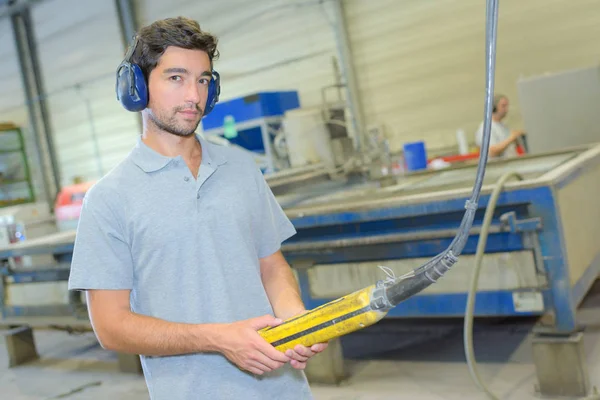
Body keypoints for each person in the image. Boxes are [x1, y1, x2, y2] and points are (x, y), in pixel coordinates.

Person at [67, 17, 326, 400]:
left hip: (283, 389)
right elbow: (110, 326)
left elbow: (271, 264)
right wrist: (218, 339)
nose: (194, 96)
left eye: (203, 80)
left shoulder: (240, 167)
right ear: (136, 86)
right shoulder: (108, 198)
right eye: (176, 78)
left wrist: (294, 319)